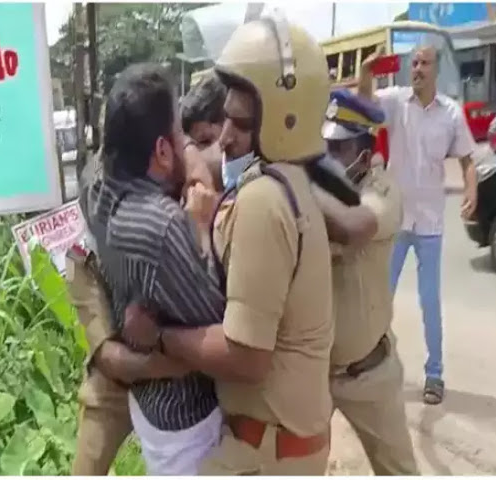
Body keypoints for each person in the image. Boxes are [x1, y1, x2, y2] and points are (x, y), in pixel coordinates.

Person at [122, 14, 336, 475]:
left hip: (265, 454)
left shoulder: (263, 200)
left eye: (239, 124)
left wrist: (159, 335)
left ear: (284, 120)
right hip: (282, 445)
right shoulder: (290, 182)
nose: (224, 137)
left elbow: (246, 356)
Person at [80, 63, 226, 476]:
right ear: (162, 151)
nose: (187, 145)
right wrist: (201, 228)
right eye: (180, 135)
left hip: (149, 404)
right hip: (188, 421)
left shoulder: (94, 186)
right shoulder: (161, 226)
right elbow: (220, 324)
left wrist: (189, 154)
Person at [358, 46, 478, 405]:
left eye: (425, 63)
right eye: (414, 63)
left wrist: (471, 189)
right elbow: (364, 103)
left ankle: (434, 374)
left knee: (429, 302)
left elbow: (468, 160)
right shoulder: (397, 102)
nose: (418, 69)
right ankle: (372, 362)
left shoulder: (451, 113)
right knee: (380, 297)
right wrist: (366, 73)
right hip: (396, 220)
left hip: (430, 223)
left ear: (436, 70)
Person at [319, 89, 419, 475]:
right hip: (315, 373)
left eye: (338, 149)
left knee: (398, 471)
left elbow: (353, 227)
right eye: (325, 147)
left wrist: (301, 186)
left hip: (369, 373)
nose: (328, 158)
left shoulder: (382, 191)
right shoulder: (321, 189)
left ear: (364, 156)